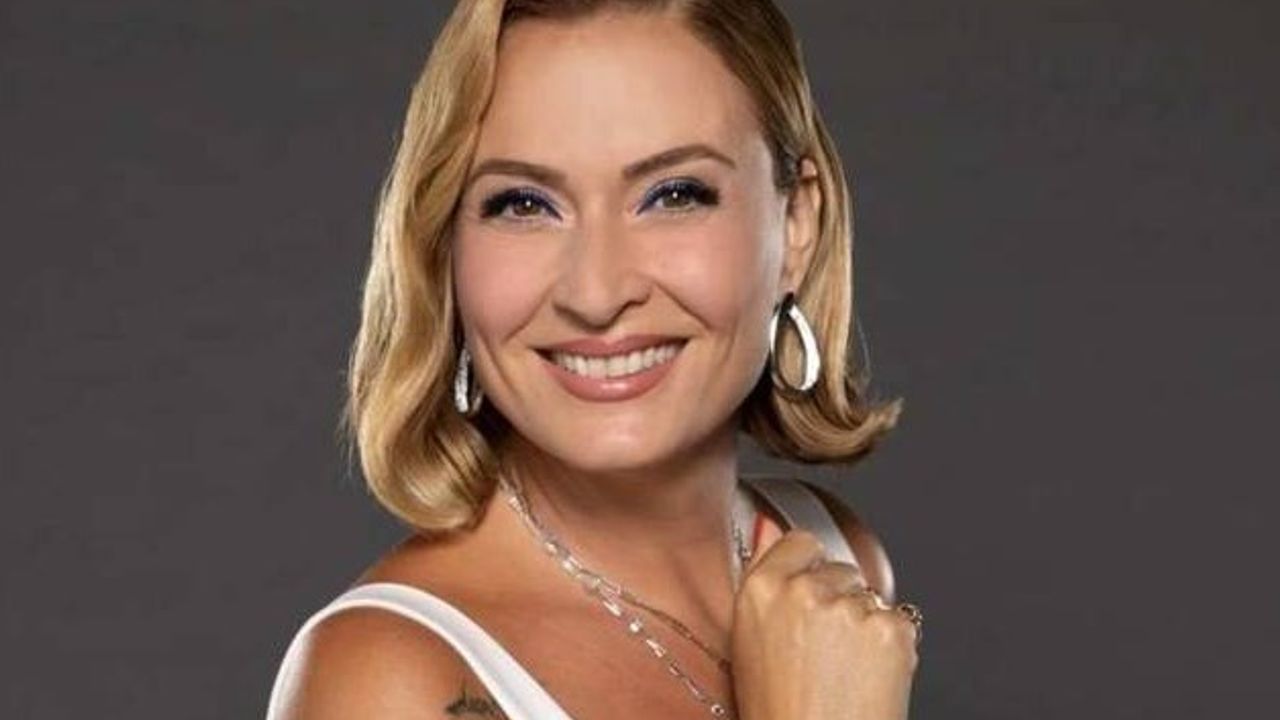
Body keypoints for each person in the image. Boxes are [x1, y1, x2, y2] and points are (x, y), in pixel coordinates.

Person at [267, 0, 919, 717]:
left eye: (673, 195)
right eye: (524, 205)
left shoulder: (832, 563)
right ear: (446, 247)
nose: (597, 293)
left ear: (796, 225)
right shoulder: (385, 680)